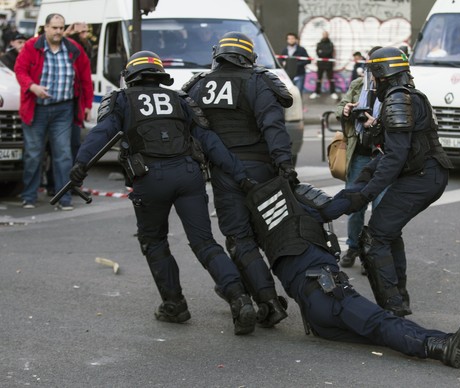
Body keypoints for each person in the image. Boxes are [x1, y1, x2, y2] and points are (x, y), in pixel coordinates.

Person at [69, 50, 258, 335]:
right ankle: (240, 299)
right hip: (188, 175)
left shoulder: (121, 100)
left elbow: (102, 133)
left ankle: (175, 305)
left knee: (154, 241)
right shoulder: (180, 99)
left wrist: (81, 165)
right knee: (205, 243)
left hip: (149, 178)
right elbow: (209, 140)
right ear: (158, 74)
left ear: (131, 75)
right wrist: (240, 174)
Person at [244, 176, 460, 369]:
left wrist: (247, 301)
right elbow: (337, 204)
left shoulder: (262, 227)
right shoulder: (304, 209)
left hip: (316, 317)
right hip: (330, 294)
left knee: (383, 332)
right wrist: (375, 176)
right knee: (384, 324)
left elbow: (249, 266)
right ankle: (440, 348)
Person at [327, 47, 454, 318]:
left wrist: (365, 194)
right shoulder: (405, 96)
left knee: (374, 238)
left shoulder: (398, 99)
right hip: (423, 174)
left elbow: (395, 157)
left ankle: (392, 309)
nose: (371, 81)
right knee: (388, 232)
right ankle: (399, 300)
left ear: (382, 74)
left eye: (373, 74)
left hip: (422, 178)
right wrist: (363, 181)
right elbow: (389, 152)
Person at [183, 31, 295, 328]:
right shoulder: (258, 81)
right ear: (249, 56)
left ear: (218, 54)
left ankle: (267, 301)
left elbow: (187, 128)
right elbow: (273, 126)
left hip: (225, 171)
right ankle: (271, 298)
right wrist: (285, 165)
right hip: (262, 170)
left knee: (238, 237)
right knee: (271, 234)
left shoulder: (199, 85)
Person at [14, 13, 93, 210]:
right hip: (36, 108)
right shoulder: (32, 46)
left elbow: (85, 77)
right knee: (33, 154)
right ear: (46, 28)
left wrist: (87, 105)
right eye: (54, 28)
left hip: (63, 109)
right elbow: (20, 70)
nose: (58, 31)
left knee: (63, 154)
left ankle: (63, 198)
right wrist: (32, 87)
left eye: (61, 27)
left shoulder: (73, 49)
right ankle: (29, 196)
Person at [335, 46, 383, 276]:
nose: (370, 71)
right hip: (359, 155)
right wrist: (345, 109)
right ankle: (353, 247)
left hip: (384, 157)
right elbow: (339, 107)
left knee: (381, 208)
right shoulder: (358, 85)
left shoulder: (395, 90)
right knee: (355, 206)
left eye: (374, 66)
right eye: (368, 66)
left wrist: (377, 122)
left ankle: (371, 253)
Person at [310, 31, 337, 100]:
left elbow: (329, 52)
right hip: (320, 63)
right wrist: (323, 53)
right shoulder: (319, 43)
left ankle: (333, 92)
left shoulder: (330, 44)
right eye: (324, 34)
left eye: (326, 34)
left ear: (328, 35)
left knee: (331, 79)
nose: (325, 35)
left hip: (329, 64)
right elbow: (318, 53)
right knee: (319, 78)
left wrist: (322, 52)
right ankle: (317, 92)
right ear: (322, 35)